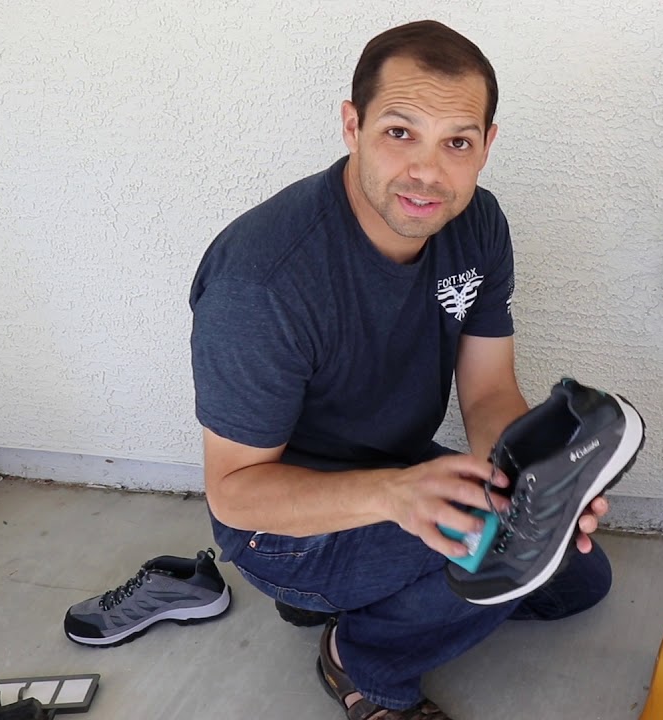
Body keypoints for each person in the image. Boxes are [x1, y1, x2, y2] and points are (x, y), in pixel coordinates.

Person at [187, 20, 613, 719]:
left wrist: (538, 479)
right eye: (399, 132)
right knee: (501, 552)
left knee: (574, 573)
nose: (427, 172)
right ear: (352, 126)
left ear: (486, 145)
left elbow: (488, 393)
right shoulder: (263, 282)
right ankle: (360, 659)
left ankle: (372, 588)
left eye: (457, 143)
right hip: (281, 524)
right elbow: (235, 493)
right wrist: (397, 499)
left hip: (395, 464)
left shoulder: (477, 224)